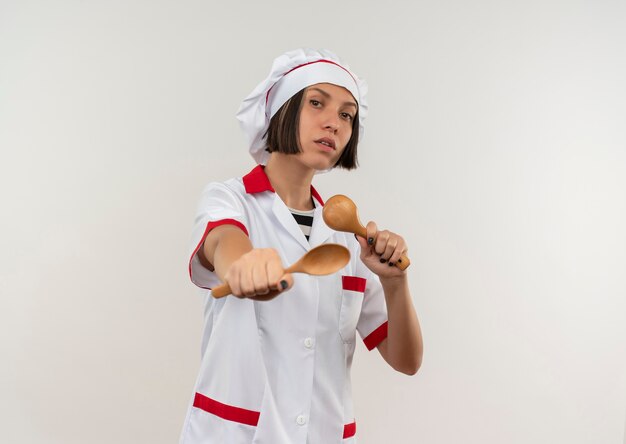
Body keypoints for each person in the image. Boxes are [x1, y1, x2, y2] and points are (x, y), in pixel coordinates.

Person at [179, 48, 423, 444]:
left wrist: (396, 283)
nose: (335, 123)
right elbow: (224, 241)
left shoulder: (349, 239)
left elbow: (406, 360)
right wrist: (243, 264)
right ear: (281, 110)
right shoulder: (230, 200)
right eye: (316, 103)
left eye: (347, 114)